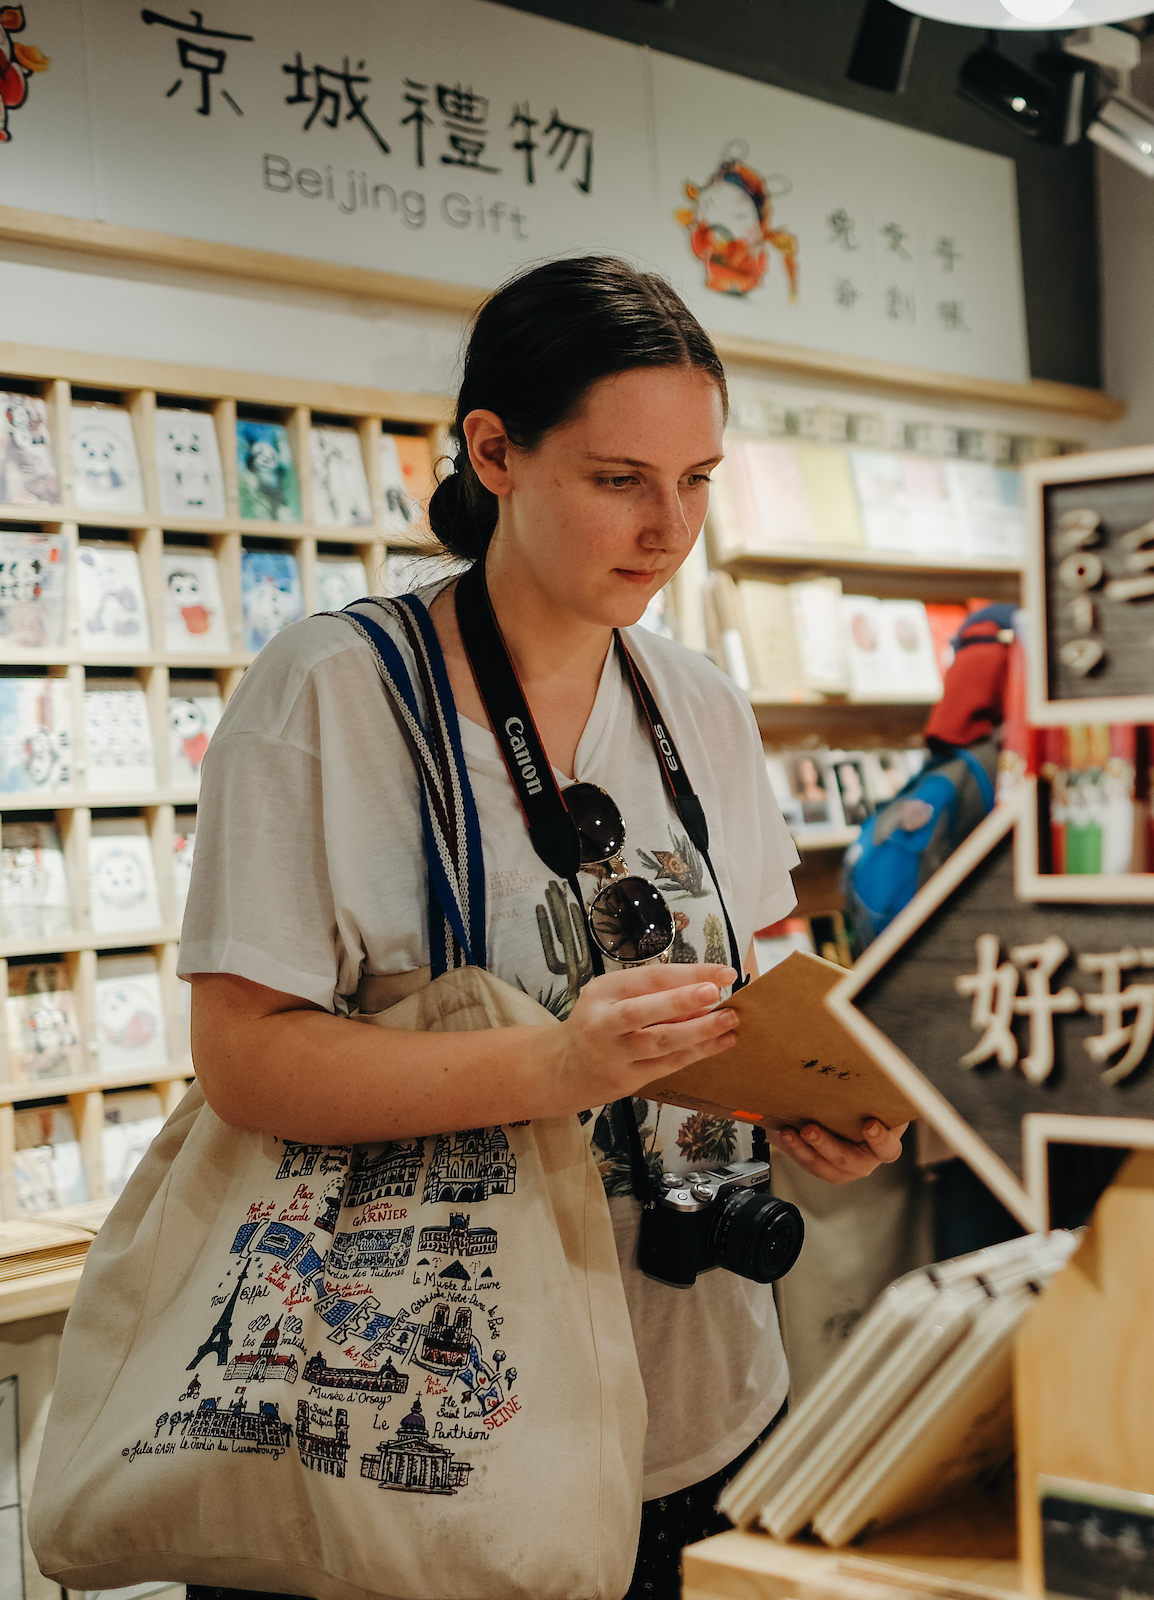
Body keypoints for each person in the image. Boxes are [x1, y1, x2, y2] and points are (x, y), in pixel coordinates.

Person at [178, 256, 905, 1599]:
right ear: (495, 452)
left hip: (699, 1403)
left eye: (697, 480)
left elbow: (765, 973)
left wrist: (821, 1095)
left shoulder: (699, 703)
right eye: (620, 478)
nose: (668, 527)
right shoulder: (334, 691)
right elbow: (245, 1058)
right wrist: (557, 1065)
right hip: (418, 1434)